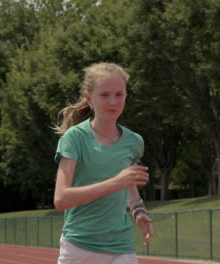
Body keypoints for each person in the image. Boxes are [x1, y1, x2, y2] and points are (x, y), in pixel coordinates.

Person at [53, 62, 154, 264]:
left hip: (121, 245)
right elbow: (61, 199)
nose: (113, 102)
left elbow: (129, 187)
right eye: (104, 95)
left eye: (119, 94)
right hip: (80, 247)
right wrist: (115, 183)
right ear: (89, 98)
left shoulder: (133, 141)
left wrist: (139, 212)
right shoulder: (75, 138)